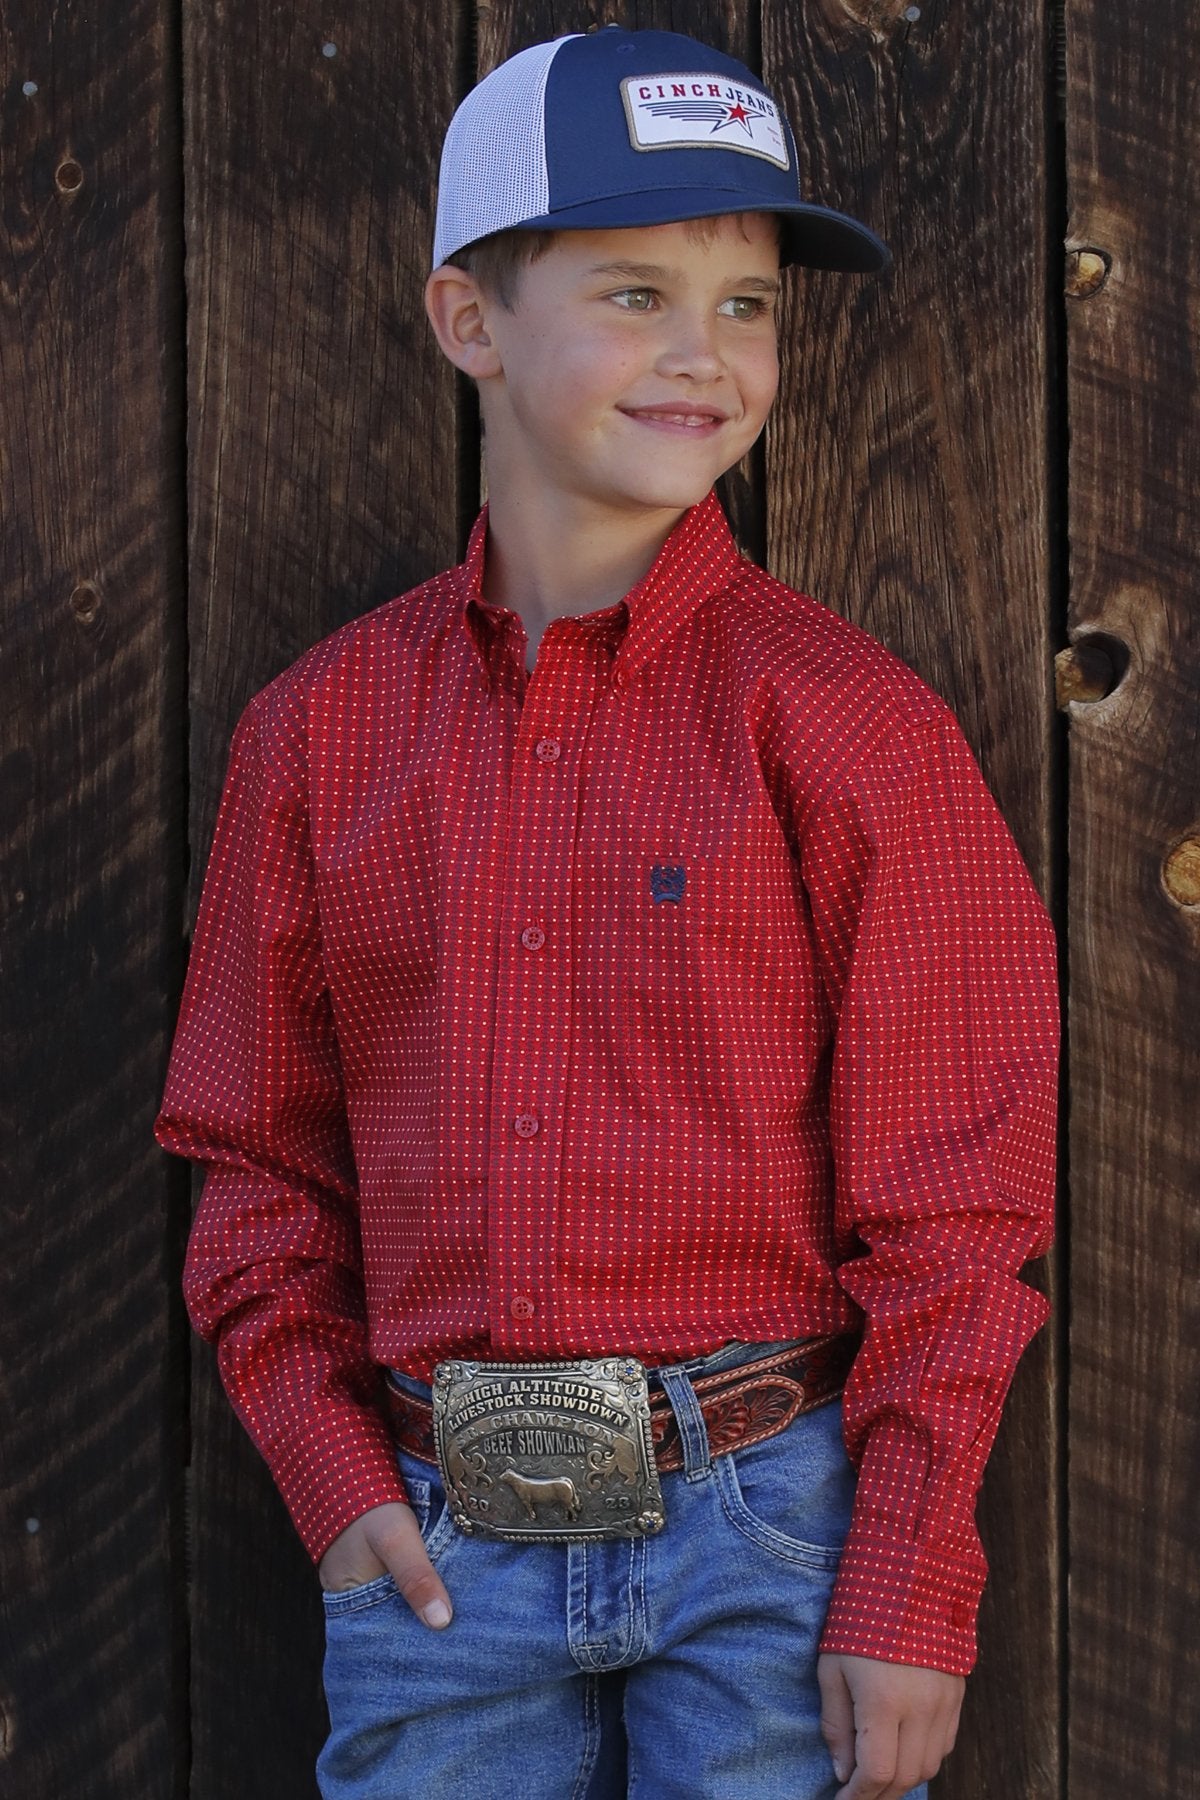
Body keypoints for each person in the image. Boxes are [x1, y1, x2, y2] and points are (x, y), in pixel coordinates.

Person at [153, 24, 1060, 1800]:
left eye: (749, 308)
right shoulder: (323, 733)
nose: (706, 358)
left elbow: (960, 1196)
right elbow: (254, 1156)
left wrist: (909, 1569)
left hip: (774, 1535)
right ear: (467, 321)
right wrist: (337, 1492)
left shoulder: (853, 726)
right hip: (436, 1556)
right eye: (637, 293)